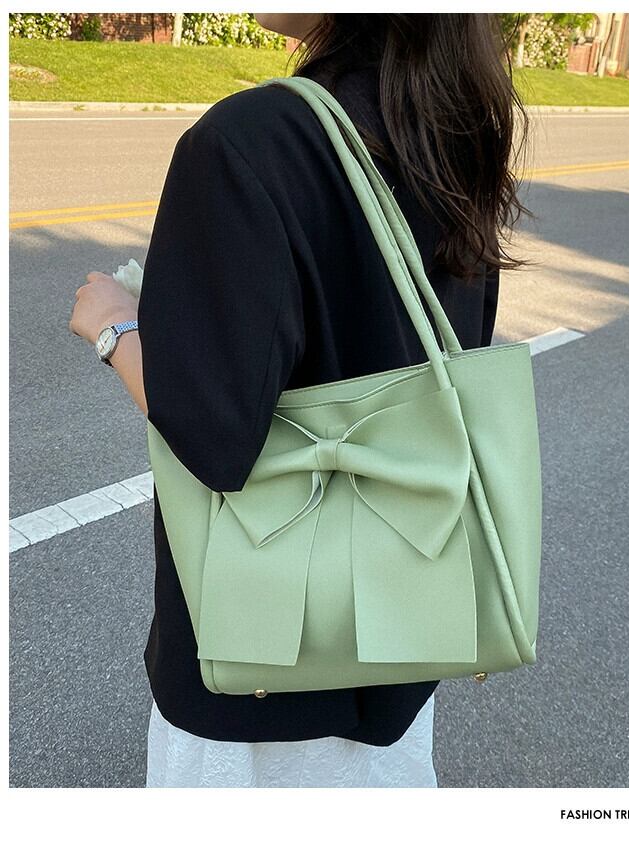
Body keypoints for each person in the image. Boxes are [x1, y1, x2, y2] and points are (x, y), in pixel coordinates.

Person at [68, 12, 528, 787]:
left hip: (254, 690)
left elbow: (215, 437)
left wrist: (117, 327)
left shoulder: (246, 144)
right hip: (403, 649)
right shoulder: (451, 128)